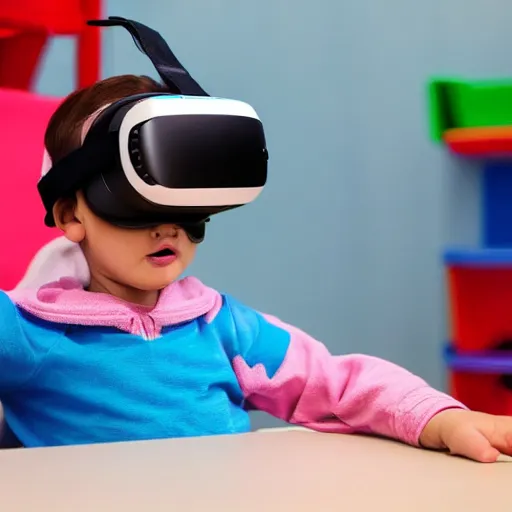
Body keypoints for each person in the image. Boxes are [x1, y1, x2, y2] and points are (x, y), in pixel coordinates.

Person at [2, 74, 512, 462]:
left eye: (185, 209)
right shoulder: (32, 334)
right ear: (71, 214)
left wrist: (438, 419)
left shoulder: (220, 326)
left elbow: (338, 383)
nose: (167, 229)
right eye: (138, 208)